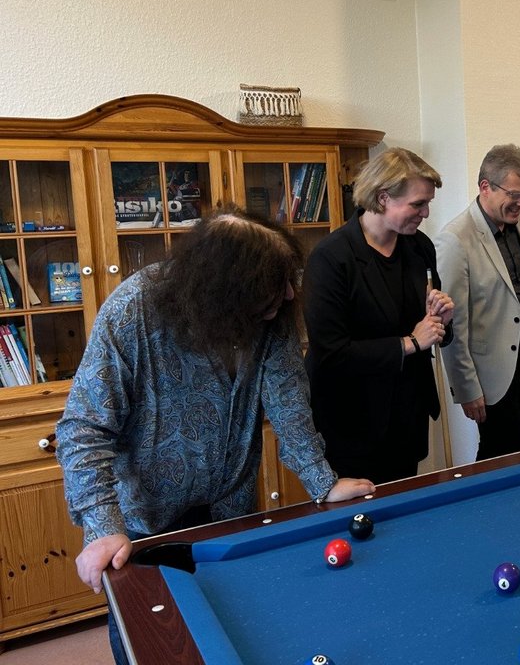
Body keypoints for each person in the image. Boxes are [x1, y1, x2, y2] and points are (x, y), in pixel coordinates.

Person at [55, 208, 376, 665]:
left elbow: (288, 401)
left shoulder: (273, 312)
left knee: (240, 635)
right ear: (226, 288)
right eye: (275, 282)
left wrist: (323, 481)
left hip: (231, 509)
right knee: (152, 645)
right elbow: (84, 429)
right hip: (144, 523)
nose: (289, 293)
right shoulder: (133, 309)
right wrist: (102, 527)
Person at [303, 148, 454, 483]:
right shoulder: (331, 258)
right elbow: (331, 352)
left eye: (427, 203)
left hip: (406, 420)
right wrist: (411, 343)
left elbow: (432, 328)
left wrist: (443, 319)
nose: (426, 212)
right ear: (383, 198)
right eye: (418, 204)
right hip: (351, 425)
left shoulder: (420, 247)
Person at [435, 144, 520, 459]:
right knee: (500, 445)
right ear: (485, 187)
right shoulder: (455, 240)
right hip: (490, 369)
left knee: (503, 441)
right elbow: (453, 325)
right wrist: (466, 388)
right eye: (515, 195)